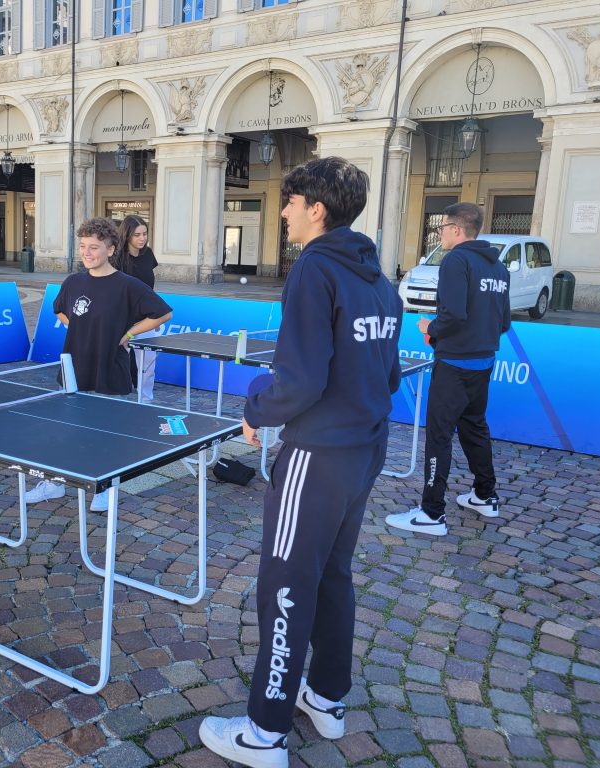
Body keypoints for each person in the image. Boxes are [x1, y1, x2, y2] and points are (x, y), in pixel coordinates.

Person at [198, 158, 402, 768]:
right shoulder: (377, 275)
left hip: (318, 454)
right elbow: (388, 374)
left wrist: (258, 406)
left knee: (285, 585)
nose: (283, 212)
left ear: (316, 208)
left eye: (289, 202)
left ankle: (265, 732)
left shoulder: (314, 268)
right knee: (332, 575)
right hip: (365, 447)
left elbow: (302, 381)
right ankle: (327, 697)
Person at [24, 217, 172, 510]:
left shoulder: (127, 285)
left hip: (110, 366)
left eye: (94, 247)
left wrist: (128, 334)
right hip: (75, 366)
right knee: (66, 427)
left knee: (106, 430)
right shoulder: (73, 282)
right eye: (83, 246)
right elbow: (59, 310)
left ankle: (103, 488)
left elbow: (163, 314)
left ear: (111, 249)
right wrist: (79, 327)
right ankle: (55, 483)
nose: (86, 252)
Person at [385, 203, 511, 537]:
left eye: (442, 227)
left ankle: (432, 513)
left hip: (455, 363)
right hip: (484, 361)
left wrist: (431, 327)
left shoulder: (456, 260)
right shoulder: (499, 268)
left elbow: (453, 315)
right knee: (474, 427)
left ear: (456, 228)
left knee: (440, 435)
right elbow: (503, 322)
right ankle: (485, 495)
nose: (440, 234)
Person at [113, 215, 162, 403]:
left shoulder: (148, 254)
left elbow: (150, 288)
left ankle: (146, 401)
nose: (142, 238)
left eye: (145, 234)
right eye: (137, 235)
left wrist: (157, 313)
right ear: (127, 235)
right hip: (122, 320)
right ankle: (119, 401)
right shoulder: (115, 258)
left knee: (148, 364)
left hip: (146, 319)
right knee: (119, 363)